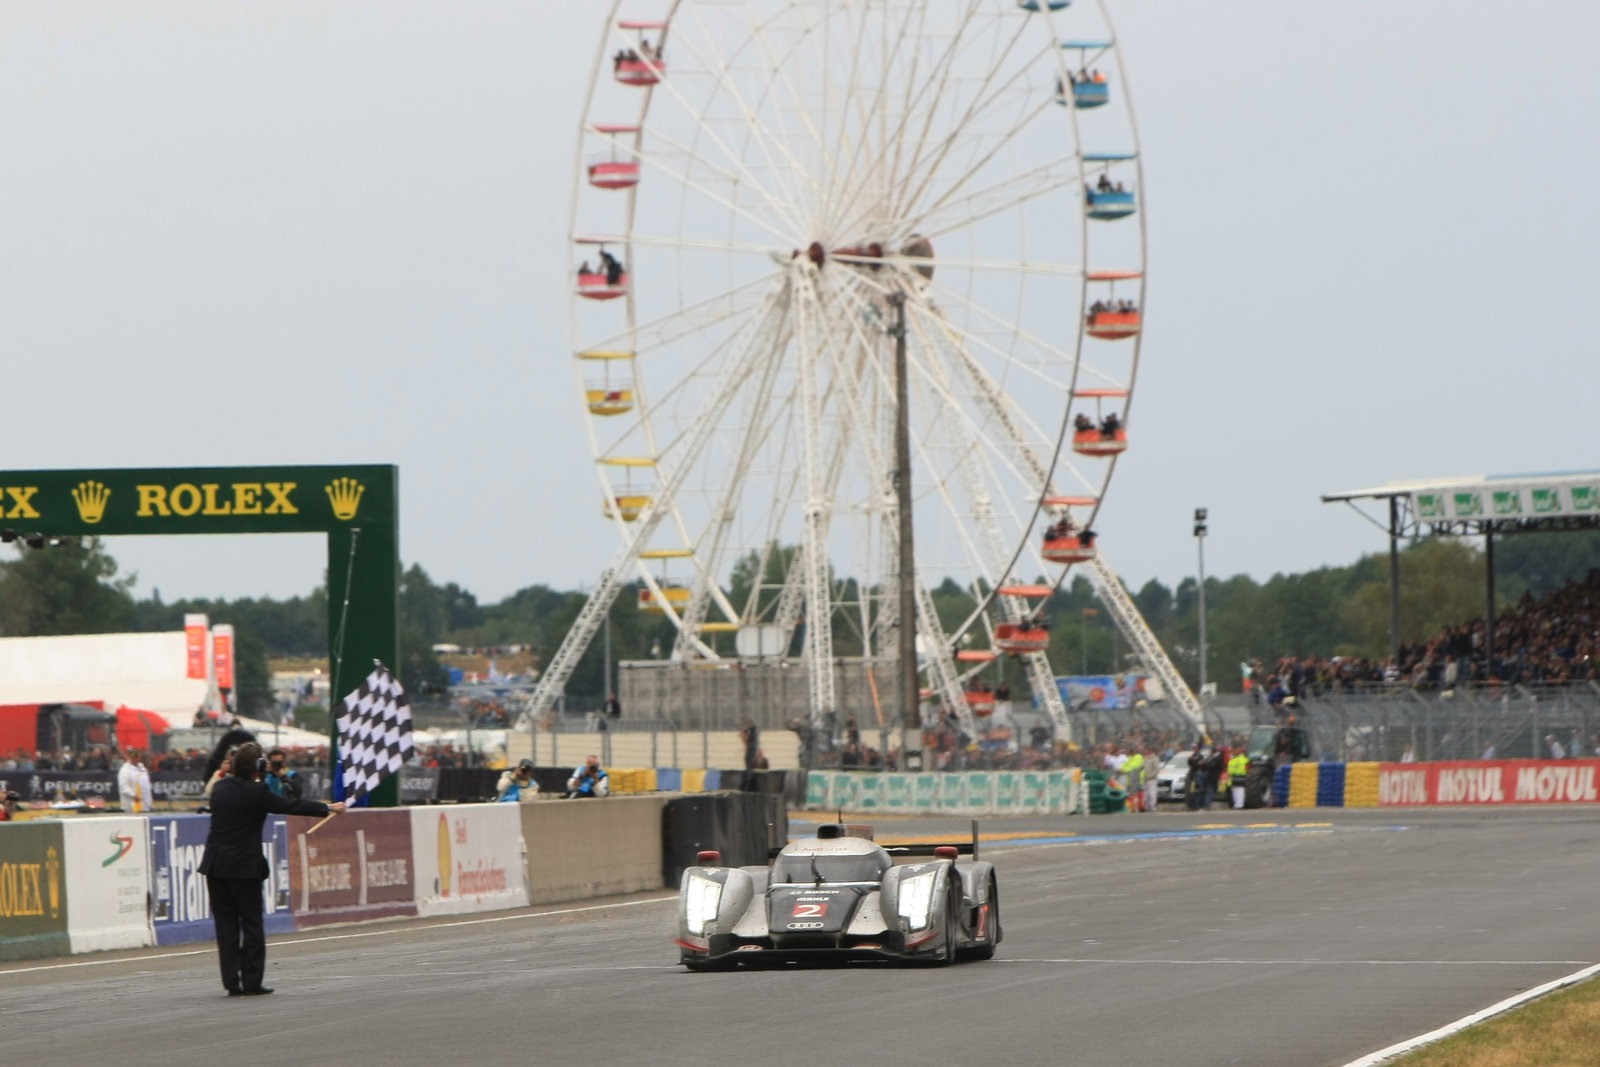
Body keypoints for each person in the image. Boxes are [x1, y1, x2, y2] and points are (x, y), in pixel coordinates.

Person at [200, 742, 342, 996]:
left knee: (226, 926)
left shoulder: (220, 789)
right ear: (259, 767)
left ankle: (232, 981)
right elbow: (291, 805)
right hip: (243, 867)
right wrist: (328, 808)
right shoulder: (257, 792)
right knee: (252, 923)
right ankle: (252, 981)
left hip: (216, 865)